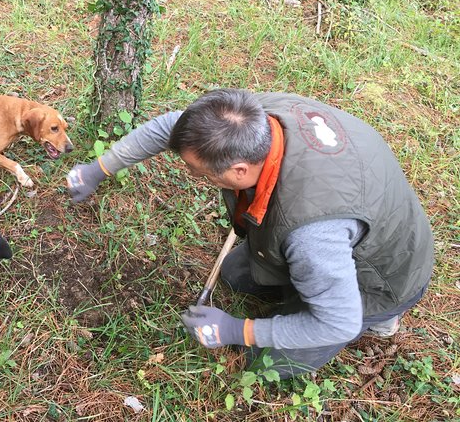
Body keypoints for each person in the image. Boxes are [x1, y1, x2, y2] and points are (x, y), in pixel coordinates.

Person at [66, 88, 433, 379]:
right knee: (237, 274)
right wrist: (99, 168)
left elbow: (338, 322)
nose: (194, 175)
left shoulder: (311, 234)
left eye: (201, 173)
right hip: (356, 217)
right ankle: (313, 288)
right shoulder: (251, 119)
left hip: (384, 274)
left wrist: (235, 331)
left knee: (270, 362)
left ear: (240, 170)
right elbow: (169, 128)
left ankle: (383, 317)